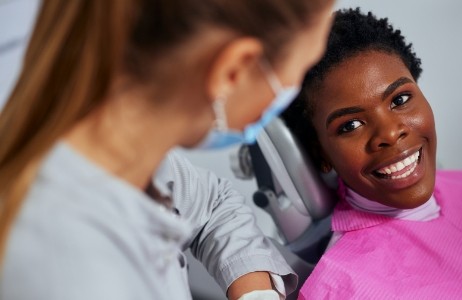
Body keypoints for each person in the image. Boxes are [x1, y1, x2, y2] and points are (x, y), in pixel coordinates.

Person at [0, 1, 334, 299]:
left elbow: (213, 203)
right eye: (301, 70)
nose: (290, 91)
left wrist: (254, 288)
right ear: (233, 71)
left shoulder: (122, 147)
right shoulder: (74, 275)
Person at [282, 8, 462, 299]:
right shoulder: (346, 286)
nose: (390, 133)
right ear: (321, 154)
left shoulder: (461, 186)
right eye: (351, 125)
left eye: (400, 99)